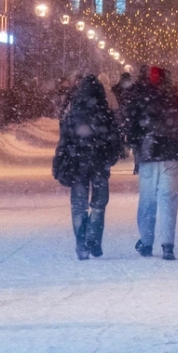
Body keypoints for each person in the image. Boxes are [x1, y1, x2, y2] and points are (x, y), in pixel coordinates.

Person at [52, 74, 124, 259]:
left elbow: (64, 141)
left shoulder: (73, 114)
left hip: (77, 164)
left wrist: (59, 161)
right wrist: (110, 157)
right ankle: (93, 237)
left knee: (79, 205)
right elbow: (114, 140)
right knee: (99, 204)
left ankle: (81, 244)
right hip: (99, 163)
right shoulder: (105, 113)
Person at [123, 66, 178, 260]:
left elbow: (131, 127)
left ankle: (146, 242)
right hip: (171, 156)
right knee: (169, 202)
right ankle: (168, 245)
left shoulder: (141, 100)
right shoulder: (175, 100)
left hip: (148, 156)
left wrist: (136, 146)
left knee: (147, 201)